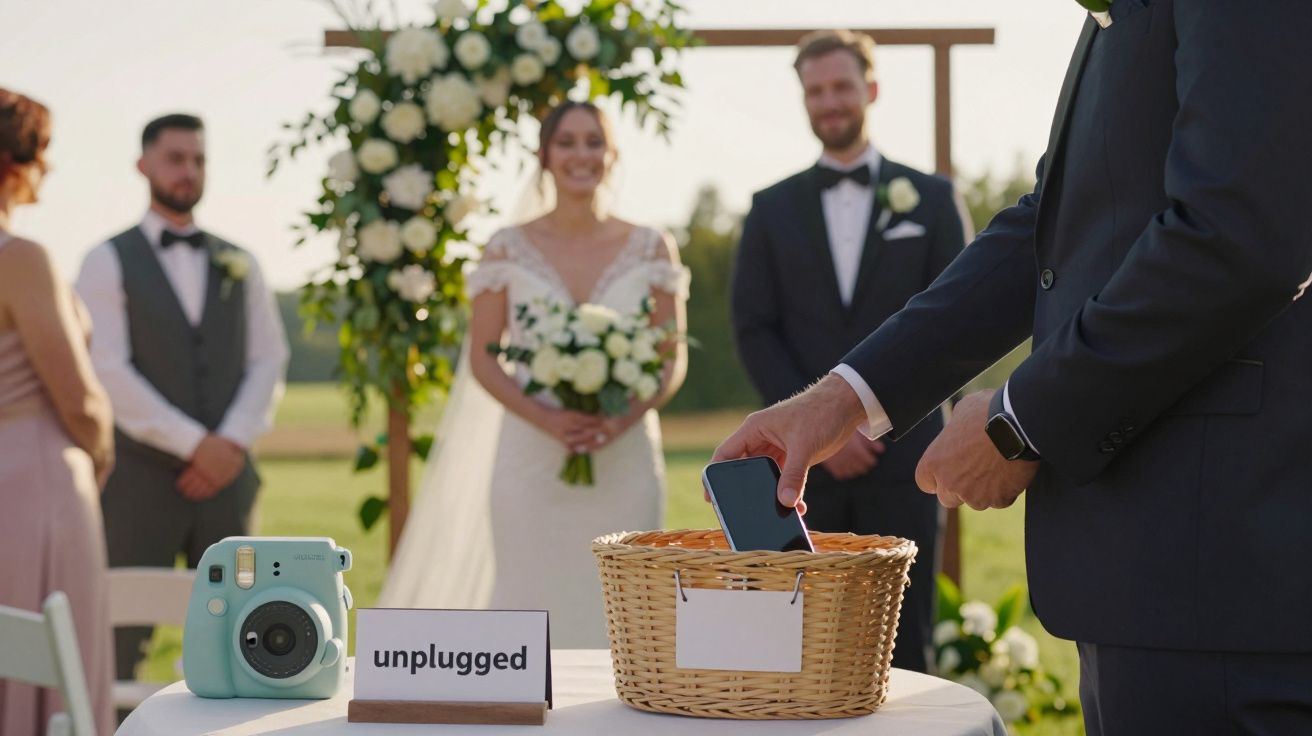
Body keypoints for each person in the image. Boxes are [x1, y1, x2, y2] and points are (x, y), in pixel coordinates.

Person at [714, 2, 1312, 733]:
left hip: (1220, 564)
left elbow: (1238, 235)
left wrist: (1019, 423)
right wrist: (839, 398)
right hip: (1146, 570)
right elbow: (1049, 230)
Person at [381, 100, 690, 648]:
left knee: (626, 602)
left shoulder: (650, 245)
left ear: (612, 154)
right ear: (544, 155)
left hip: (624, 456)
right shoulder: (508, 247)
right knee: (530, 600)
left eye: (594, 142)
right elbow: (483, 356)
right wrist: (548, 418)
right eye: (566, 142)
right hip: (530, 460)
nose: (581, 154)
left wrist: (620, 419)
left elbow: (671, 356)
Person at [732, 30, 969, 674]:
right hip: (797, 471)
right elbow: (753, 329)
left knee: (905, 637)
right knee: (794, 636)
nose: (829, 102)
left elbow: (960, 324)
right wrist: (816, 428)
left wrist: (871, 419)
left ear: (871, 89)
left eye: (841, 86)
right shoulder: (767, 210)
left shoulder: (933, 199)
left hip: (907, 459)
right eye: (815, 90)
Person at [75, 113, 289, 681]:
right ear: (143, 165)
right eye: (175, 158)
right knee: (119, 642)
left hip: (228, 483)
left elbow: (269, 358)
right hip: (138, 483)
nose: (187, 171)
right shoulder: (104, 260)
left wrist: (232, 443)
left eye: (198, 159)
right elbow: (108, 371)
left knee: (248, 641)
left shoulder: (242, 261)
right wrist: (198, 445)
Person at [0, 87, 115, 736]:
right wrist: (98, 450)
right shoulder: (21, 259)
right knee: (55, 662)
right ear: (15, 165)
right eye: (45, 157)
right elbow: (78, 397)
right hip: (39, 484)